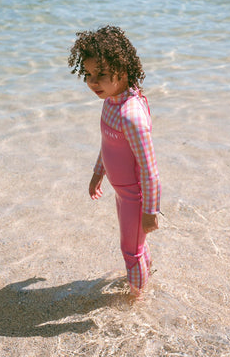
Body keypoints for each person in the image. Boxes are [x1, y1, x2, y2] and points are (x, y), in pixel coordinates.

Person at [68, 26, 161, 298]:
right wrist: (98, 173)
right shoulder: (110, 101)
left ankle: (136, 302)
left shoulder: (131, 115)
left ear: (122, 71)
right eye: (88, 75)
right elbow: (108, 145)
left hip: (135, 196)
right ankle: (145, 276)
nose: (93, 82)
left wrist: (150, 210)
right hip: (122, 193)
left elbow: (149, 170)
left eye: (101, 75)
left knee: (130, 251)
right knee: (135, 247)